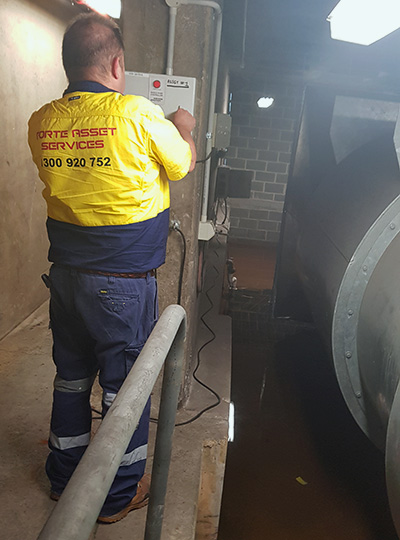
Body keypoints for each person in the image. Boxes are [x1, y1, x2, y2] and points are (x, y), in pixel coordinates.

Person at [27, 13, 196, 523]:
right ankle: (120, 493)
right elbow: (181, 165)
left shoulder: (42, 121)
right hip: (122, 285)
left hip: (64, 279)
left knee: (71, 378)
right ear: (118, 63)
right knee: (126, 391)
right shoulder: (141, 116)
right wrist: (183, 127)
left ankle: (64, 477)